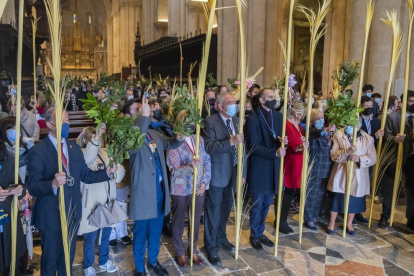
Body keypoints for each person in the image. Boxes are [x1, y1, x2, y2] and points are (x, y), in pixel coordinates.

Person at [27, 108, 116, 276]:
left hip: (73, 213)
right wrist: (52, 184)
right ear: (49, 125)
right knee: (50, 261)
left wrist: (107, 173)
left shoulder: (73, 147)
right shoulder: (38, 151)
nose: (66, 123)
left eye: (67, 120)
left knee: (67, 259)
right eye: (62, 121)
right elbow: (32, 186)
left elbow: (86, 176)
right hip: (50, 215)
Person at [128, 96, 184, 276]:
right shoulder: (127, 135)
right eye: (137, 109)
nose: (143, 110)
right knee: (141, 232)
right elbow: (135, 145)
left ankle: (152, 261)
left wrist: (180, 136)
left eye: (143, 108)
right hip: (143, 193)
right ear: (129, 115)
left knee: (156, 230)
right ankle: (139, 268)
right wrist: (144, 117)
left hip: (159, 191)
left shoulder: (152, 133)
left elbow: (170, 143)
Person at [202, 92, 244, 266]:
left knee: (226, 209)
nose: (234, 105)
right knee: (213, 213)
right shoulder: (210, 122)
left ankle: (221, 237)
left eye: (235, 102)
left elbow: (244, 149)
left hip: (233, 173)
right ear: (219, 106)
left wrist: (243, 173)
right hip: (218, 174)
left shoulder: (237, 121)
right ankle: (211, 247)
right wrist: (231, 142)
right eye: (230, 103)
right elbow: (209, 147)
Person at [77, 125, 125, 276]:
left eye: (98, 138)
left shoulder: (105, 152)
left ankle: (103, 261)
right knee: (90, 238)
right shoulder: (82, 155)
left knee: (105, 236)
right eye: (92, 138)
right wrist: (96, 140)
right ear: (85, 141)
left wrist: (115, 174)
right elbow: (89, 159)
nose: (97, 141)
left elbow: (121, 169)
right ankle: (88, 265)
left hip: (108, 202)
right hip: (91, 205)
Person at [245, 88, 286, 251]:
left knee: (267, 203)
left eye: (273, 97)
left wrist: (283, 142)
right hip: (260, 165)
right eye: (270, 97)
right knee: (257, 204)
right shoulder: (253, 119)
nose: (273, 99)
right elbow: (253, 146)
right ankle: (254, 235)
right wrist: (273, 152)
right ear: (261, 100)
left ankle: (261, 232)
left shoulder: (278, 116)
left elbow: (280, 138)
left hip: (274, 166)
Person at [166, 125, 211, 267]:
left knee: (196, 218)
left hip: (198, 187)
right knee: (178, 219)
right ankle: (179, 251)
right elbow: (173, 170)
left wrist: (204, 182)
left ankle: (193, 250)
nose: (190, 126)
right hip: (181, 187)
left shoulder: (200, 140)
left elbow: (207, 161)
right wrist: (190, 167)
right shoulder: (173, 143)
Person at [327, 118, 377, 236]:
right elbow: (333, 155)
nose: (348, 127)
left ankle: (349, 224)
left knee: (353, 200)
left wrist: (360, 159)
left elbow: (373, 157)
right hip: (341, 172)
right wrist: (345, 152)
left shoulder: (368, 139)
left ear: (359, 127)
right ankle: (331, 223)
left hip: (358, 173)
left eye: (351, 125)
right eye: (347, 124)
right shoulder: (338, 135)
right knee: (337, 199)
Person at [379, 90, 414, 229]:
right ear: (403, 102)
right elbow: (386, 136)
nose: (413, 104)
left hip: (412, 160)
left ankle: (411, 219)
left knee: (411, 191)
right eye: (411, 101)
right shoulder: (393, 117)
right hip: (395, 157)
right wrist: (396, 139)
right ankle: (385, 216)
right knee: (390, 189)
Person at [0, 117, 26, 276]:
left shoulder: (12, 154)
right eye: (11, 129)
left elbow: (19, 183)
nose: (16, 133)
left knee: (12, 254)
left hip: (9, 213)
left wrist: (19, 191)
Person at [278, 102, 308, 234]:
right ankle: (281, 220)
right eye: (302, 114)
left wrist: (304, 145)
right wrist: (302, 146)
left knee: (291, 192)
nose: (302, 117)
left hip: (298, 162)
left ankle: (283, 219)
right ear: (297, 113)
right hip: (289, 162)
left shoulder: (300, 127)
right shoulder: (286, 125)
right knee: (286, 192)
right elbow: (290, 145)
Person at [304, 109, 332, 231]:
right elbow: (312, 136)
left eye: (322, 118)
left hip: (326, 167)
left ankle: (315, 215)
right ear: (312, 120)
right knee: (312, 194)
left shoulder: (326, 133)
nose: (321, 120)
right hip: (315, 167)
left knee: (320, 194)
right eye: (318, 118)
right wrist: (324, 132)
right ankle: (308, 218)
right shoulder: (309, 131)